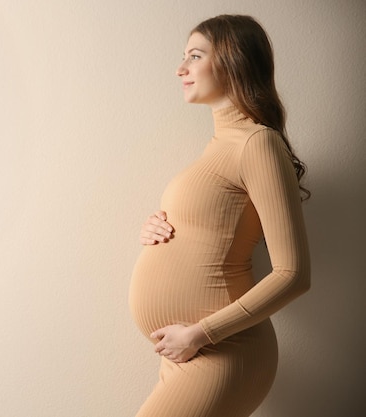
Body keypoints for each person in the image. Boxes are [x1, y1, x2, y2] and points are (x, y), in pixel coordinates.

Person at [128, 15, 311, 417]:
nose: (181, 68)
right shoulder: (218, 147)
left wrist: (199, 333)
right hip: (185, 353)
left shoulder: (257, 142)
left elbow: (293, 274)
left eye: (195, 56)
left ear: (233, 60)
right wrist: (158, 231)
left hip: (220, 350)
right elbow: (212, 227)